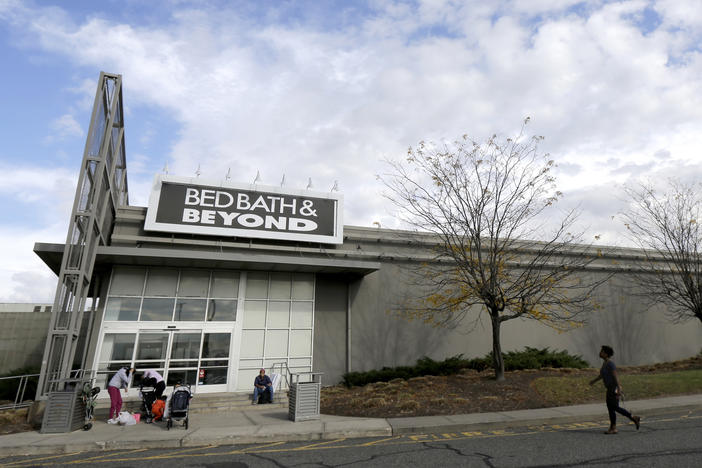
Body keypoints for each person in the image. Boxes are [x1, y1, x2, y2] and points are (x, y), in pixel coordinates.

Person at [589, 345, 641, 434]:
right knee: (611, 408)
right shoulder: (605, 363)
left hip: (613, 388)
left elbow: (615, 376)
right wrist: (594, 381)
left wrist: (619, 388)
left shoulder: (610, 364)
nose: (600, 353)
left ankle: (633, 417)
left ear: (606, 354)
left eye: (602, 351)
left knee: (614, 407)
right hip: (609, 388)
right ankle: (613, 428)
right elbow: (602, 375)